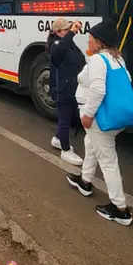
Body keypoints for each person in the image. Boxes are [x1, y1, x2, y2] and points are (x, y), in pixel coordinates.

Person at [65, 20, 133, 226]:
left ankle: (120, 209)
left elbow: (97, 90)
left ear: (98, 41)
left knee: (108, 160)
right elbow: (125, 82)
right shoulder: (117, 59)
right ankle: (85, 181)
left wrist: (87, 114)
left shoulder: (98, 61)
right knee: (91, 145)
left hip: (99, 117)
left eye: (90, 39)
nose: (88, 41)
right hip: (114, 117)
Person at [47, 18, 86, 166]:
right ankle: (65, 150)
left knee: (67, 117)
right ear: (57, 32)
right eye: (66, 30)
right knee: (64, 120)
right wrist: (72, 33)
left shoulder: (68, 43)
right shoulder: (55, 45)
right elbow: (60, 50)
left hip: (71, 86)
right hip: (63, 88)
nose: (69, 31)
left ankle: (57, 139)